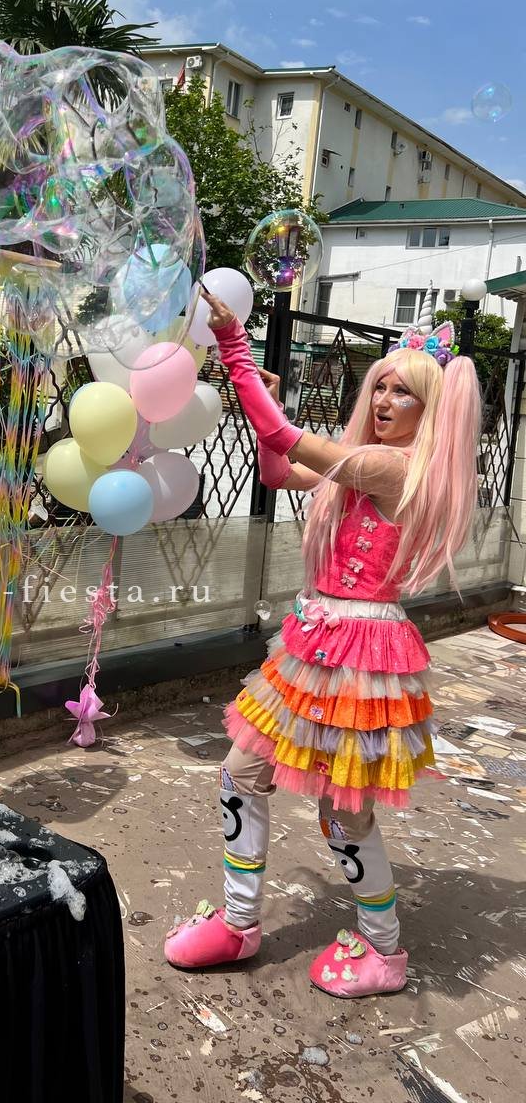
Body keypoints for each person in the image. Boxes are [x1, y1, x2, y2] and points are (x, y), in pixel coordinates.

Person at [164, 288, 482, 997]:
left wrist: (236, 349)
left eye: (404, 393)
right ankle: (239, 924)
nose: (386, 401)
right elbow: (278, 471)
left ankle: (384, 952)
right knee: (241, 773)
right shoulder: (366, 457)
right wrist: (268, 406)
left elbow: (287, 442)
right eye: (382, 386)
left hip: (363, 656)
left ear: (431, 411)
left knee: (344, 811)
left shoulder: (399, 470)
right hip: (313, 644)